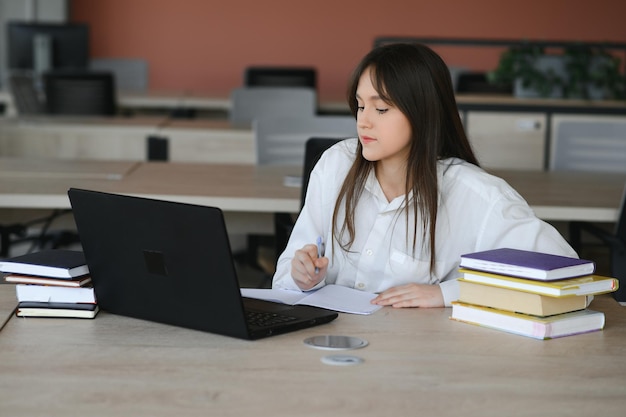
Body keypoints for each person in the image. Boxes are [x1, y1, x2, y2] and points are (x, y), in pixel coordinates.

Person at [271, 43, 577, 308]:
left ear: (422, 112)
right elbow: (286, 274)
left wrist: (446, 293)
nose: (363, 122)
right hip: (330, 347)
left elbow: (570, 277)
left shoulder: (478, 197)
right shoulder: (334, 166)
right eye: (360, 106)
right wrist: (301, 276)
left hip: (419, 359)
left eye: (380, 110)